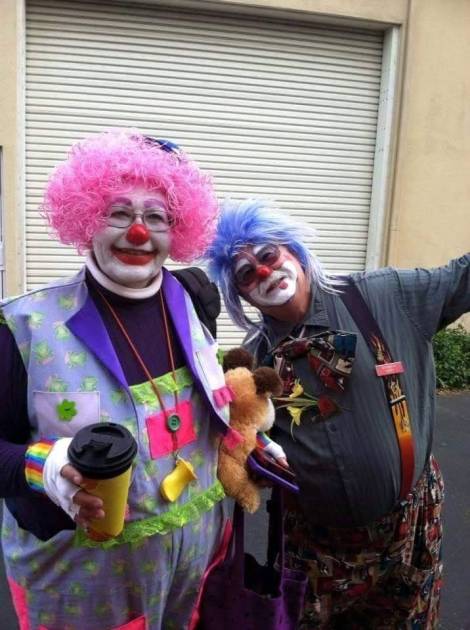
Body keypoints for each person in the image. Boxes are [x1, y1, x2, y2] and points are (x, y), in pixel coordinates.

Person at [0, 129, 240, 630]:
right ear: (87, 217)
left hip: (191, 565)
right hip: (83, 582)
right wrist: (43, 466)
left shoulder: (196, 300)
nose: (138, 232)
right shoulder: (22, 326)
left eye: (157, 216)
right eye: (118, 213)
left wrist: (247, 435)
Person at [205, 197, 470, 629]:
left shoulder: (385, 295)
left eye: (268, 255)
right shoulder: (252, 367)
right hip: (317, 549)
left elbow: (463, 278)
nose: (264, 273)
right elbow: (236, 448)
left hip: (411, 527)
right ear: (241, 294)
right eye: (246, 274)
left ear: (293, 250)